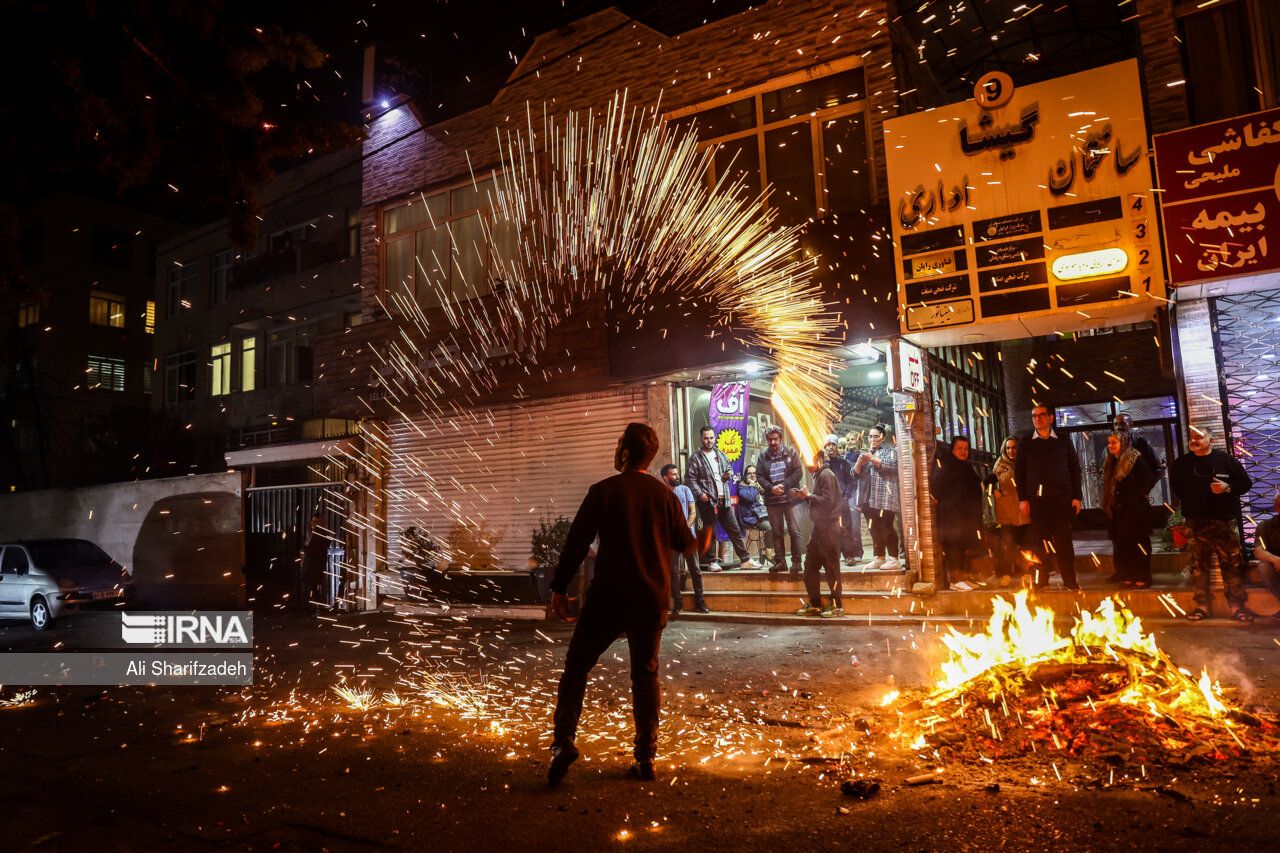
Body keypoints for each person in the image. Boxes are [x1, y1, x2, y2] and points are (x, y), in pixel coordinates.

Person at [547, 422, 696, 786]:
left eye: (618, 444)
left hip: (609, 597)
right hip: (651, 599)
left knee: (577, 665)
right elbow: (686, 543)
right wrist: (700, 539)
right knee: (645, 675)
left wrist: (559, 586)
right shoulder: (666, 496)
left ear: (626, 452)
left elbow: (577, 542)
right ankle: (646, 758)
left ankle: (563, 741)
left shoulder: (604, 491)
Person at [1169, 424, 1254, 622]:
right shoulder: (1181, 464)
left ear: (1211, 441)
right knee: (1198, 566)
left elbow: (1245, 483)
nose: (1194, 440)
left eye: (1199, 437)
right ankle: (1202, 606)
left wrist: (1227, 487)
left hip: (1224, 521)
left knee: (1231, 565)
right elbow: (1177, 488)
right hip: (1195, 522)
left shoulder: (1227, 461)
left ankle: (1237, 606)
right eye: (1192, 437)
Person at [1014, 404, 1083, 590]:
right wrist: (1022, 498)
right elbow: (1019, 472)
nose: (1038, 418)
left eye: (1042, 415)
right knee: (1040, 541)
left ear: (1051, 418)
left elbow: (1075, 469)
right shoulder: (1026, 442)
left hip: (1062, 498)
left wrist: (1077, 496)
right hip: (1037, 500)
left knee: (1063, 540)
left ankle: (1069, 579)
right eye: (1034, 416)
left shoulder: (1063, 440)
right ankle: (1041, 579)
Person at [685, 426, 756, 571]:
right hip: (708, 501)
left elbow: (729, 468)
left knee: (734, 529)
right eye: (706, 438)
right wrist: (700, 494)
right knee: (710, 532)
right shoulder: (696, 457)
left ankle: (745, 560)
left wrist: (728, 474)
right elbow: (689, 478)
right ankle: (712, 562)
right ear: (701, 439)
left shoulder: (720, 453)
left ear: (714, 437)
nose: (709, 441)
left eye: (711, 437)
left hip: (724, 499)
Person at [1101, 430, 1158, 588]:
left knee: (1139, 542)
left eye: (1114, 442)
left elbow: (1148, 479)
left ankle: (1142, 576)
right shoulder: (1111, 461)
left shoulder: (1134, 459)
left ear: (1123, 443)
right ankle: (1128, 575)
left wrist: (1137, 495)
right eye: (1109, 443)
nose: (1110, 445)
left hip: (1135, 510)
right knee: (1124, 543)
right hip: (1118, 510)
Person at [930, 436, 984, 591]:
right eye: (959, 448)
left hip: (965, 516)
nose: (963, 451)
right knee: (954, 546)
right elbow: (936, 487)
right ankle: (955, 580)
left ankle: (962, 577)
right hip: (951, 516)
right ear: (952, 449)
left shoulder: (965, 466)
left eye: (965, 449)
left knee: (963, 546)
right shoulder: (945, 464)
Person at [796, 450, 844, 618]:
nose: (806, 464)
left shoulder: (826, 475)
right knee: (810, 566)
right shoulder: (819, 475)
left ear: (819, 461)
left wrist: (809, 495)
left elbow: (828, 502)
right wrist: (806, 497)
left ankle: (837, 605)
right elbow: (820, 500)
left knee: (831, 567)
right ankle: (815, 603)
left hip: (829, 528)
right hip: (818, 528)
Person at [756, 425, 804, 574]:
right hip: (773, 501)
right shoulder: (763, 456)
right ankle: (781, 562)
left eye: (775, 439)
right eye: (770, 439)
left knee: (794, 531)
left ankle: (796, 562)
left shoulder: (791, 452)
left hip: (791, 499)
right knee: (776, 533)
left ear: (781, 439)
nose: (773, 442)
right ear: (766, 440)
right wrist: (771, 488)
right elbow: (759, 476)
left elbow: (798, 472)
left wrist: (784, 485)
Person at [661, 463, 707, 616]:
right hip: (671, 540)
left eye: (677, 473)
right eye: (673, 474)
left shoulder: (685, 490)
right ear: (665, 477)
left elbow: (693, 512)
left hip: (688, 536)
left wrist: (685, 527)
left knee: (695, 569)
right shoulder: (661, 494)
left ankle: (700, 602)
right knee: (673, 571)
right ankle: (678, 604)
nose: (677, 476)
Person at [853, 424, 900, 570]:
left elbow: (891, 466)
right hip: (867, 498)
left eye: (876, 436)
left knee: (886, 527)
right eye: (870, 436)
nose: (872, 439)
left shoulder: (889, 450)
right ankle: (879, 557)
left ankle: (894, 559)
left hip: (884, 497)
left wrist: (872, 458)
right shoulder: (866, 453)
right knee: (873, 528)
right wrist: (859, 461)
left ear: (882, 438)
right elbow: (854, 474)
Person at [988, 436, 1031, 586]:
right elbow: (989, 481)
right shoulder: (999, 464)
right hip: (1006, 511)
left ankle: (1027, 573)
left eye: (1014, 447)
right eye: (1008, 448)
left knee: (1027, 545)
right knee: (1008, 545)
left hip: (1024, 510)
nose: (1011, 450)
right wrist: (995, 491)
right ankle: (1006, 574)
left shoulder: (1025, 461)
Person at [824, 434, 862, 566]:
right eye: (827, 445)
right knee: (828, 529)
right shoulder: (821, 463)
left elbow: (850, 481)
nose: (830, 448)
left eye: (833, 445)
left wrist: (846, 495)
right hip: (826, 501)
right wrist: (826, 461)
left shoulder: (843, 463)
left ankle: (849, 555)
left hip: (842, 500)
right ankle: (831, 556)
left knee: (845, 528)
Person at [734, 465, 773, 563]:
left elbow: (764, 493)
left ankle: (764, 551)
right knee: (771, 527)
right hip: (751, 518)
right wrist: (752, 484)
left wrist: (758, 486)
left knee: (783, 526)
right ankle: (769, 553)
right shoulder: (741, 487)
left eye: (754, 473)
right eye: (749, 473)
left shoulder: (756, 484)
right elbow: (750, 498)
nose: (753, 475)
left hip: (762, 515)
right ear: (745, 475)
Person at [1251, 491, 1280, 620]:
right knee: (1264, 567)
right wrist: (1275, 559)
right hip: (1276, 566)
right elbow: (1258, 551)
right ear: (1277, 508)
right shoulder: (1265, 526)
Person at [1114, 413, 1163, 478]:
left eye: (1122, 424)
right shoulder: (1109, 448)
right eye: (1115, 424)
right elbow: (1103, 471)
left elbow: (1157, 469)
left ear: (1131, 425)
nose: (1118, 427)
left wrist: (1145, 483)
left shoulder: (1142, 444)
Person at [299, 512, 330, 609]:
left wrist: (304, 548)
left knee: (312, 585)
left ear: (320, 522)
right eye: (313, 521)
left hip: (315, 566)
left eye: (315, 521)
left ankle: (316, 606)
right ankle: (316, 606)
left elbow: (315, 550)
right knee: (310, 586)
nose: (313, 523)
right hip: (310, 565)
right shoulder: (312, 533)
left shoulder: (321, 534)